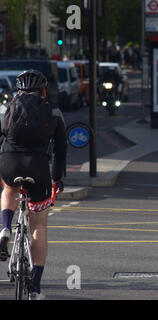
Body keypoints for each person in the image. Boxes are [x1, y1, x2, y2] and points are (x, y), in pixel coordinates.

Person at [0, 70, 67, 300]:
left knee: (9, 188)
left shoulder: (7, 108)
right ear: (44, 91)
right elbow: (61, 149)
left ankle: (5, 227)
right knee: (38, 225)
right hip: (38, 168)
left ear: (18, 90)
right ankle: (36, 287)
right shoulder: (54, 111)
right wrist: (57, 179)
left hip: (10, 163)